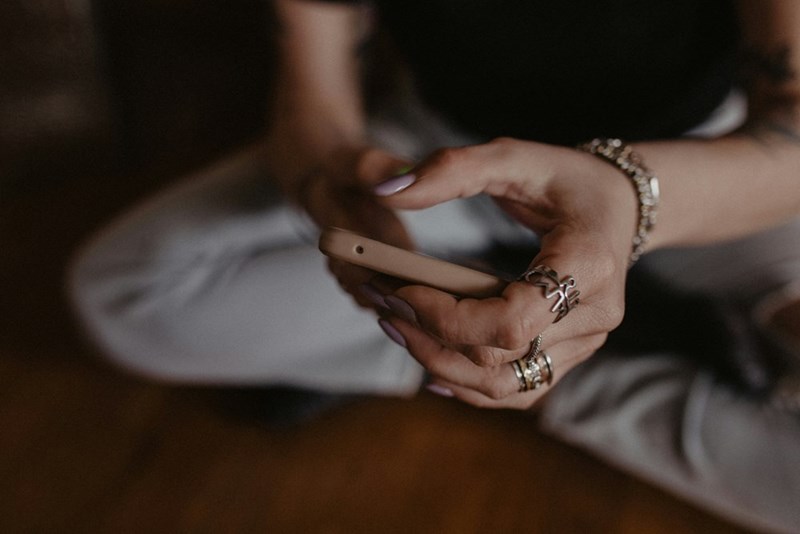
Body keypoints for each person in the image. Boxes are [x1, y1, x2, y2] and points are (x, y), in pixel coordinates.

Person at [69, 0, 800, 530]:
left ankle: (535, 340)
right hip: (443, 165)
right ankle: (540, 351)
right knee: (127, 292)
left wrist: (627, 196)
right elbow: (314, 106)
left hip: (699, 173)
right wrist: (332, 185)